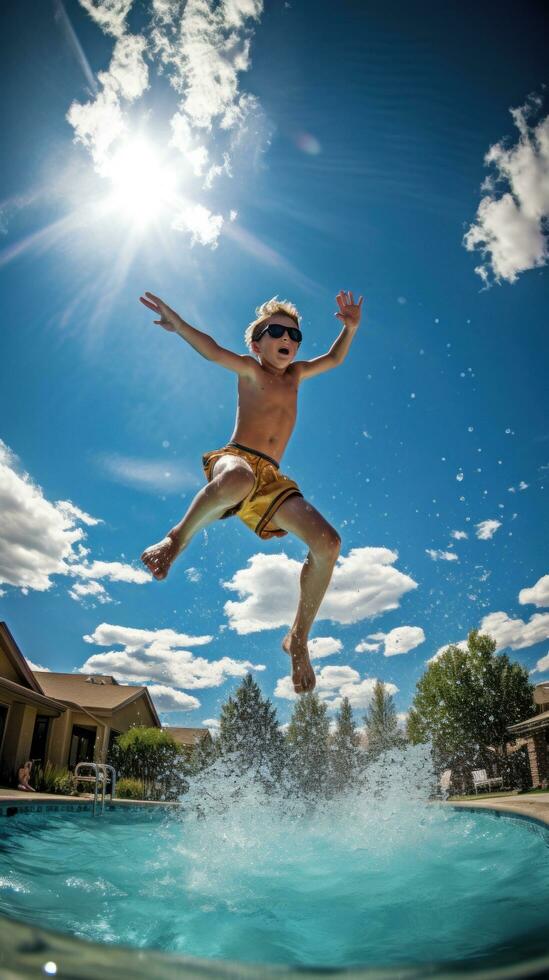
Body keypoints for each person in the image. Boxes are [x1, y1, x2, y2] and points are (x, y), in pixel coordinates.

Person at [139, 290, 363, 694]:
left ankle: (298, 638)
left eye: (295, 336)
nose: (288, 340)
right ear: (256, 344)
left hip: (273, 481)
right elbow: (211, 350)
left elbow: (334, 359)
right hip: (236, 459)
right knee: (239, 479)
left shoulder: (296, 375)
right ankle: (176, 539)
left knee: (328, 543)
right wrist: (178, 326)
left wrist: (349, 329)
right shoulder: (250, 369)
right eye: (276, 332)